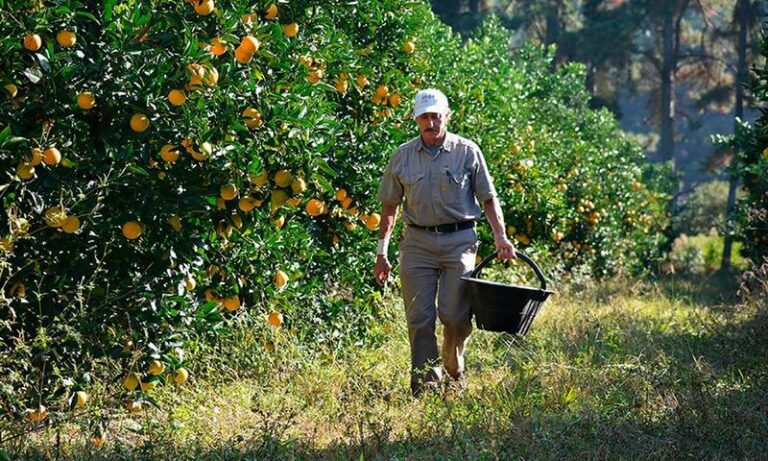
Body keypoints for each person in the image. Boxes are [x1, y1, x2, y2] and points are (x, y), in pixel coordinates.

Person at [374, 88, 516, 395]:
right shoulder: (402, 156)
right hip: (417, 243)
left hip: (459, 241)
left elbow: (488, 198)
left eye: (436, 116)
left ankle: (454, 370)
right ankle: (425, 385)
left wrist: (501, 237)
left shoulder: (467, 151)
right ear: (416, 119)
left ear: (447, 116)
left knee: (455, 315)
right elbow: (389, 207)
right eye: (424, 117)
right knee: (419, 318)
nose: (430, 122)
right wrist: (381, 252)